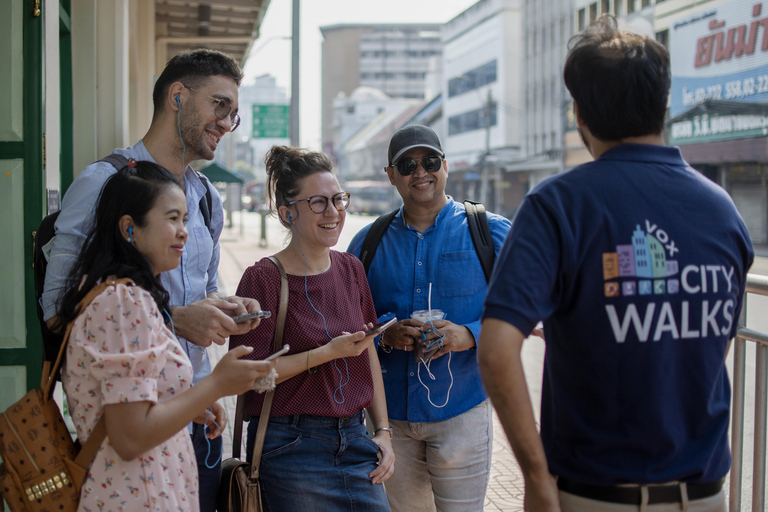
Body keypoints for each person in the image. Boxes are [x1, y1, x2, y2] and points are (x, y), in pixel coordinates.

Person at [478, 15, 754, 512]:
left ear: (579, 113)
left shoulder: (558, 205)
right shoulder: (721, 209)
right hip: (707, 495)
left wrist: (538, 481)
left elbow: (497, 350)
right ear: (663, 104)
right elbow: (717, 339)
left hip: (593, 497)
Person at [42, 49, 257, 510]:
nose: (226, 122)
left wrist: (223, 309)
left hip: (199, 419)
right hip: (129, 440)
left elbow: (204, 288)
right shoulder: (104, 182)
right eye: (220, 105)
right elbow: (59, 308)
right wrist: (176, 320)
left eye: (234, 115)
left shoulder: (207, 198)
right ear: (177, 96)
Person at [57, 161, 275, 512]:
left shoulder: (123, 295)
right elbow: (129, 438)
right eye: (172, 219)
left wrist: (188, 406)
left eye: (186, 219)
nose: (183, 231)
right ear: (130, 228)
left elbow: (134, 404)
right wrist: (216, 384)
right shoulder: (123, 302)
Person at [347, 125, 511, 512]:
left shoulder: (489, 231)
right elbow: (349, 322)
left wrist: (469, 335)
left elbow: (532, 304)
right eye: (407, 164)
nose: (420, 172)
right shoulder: (367, 243)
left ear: (445, 166)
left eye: (430, 161)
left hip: (463, 413)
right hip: (392, 421)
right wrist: (387, 335)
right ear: (391, 175)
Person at [229, 146, 394, 512]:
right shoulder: (262, 280)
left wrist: (382, 431)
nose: (334, 212)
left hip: (355, 438)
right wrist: (326, 353)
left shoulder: (351, 269)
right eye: (318, 202)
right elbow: (247, 378)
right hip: (290, 447)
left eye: (338, 199)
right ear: (287, 213)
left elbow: (367, 351)